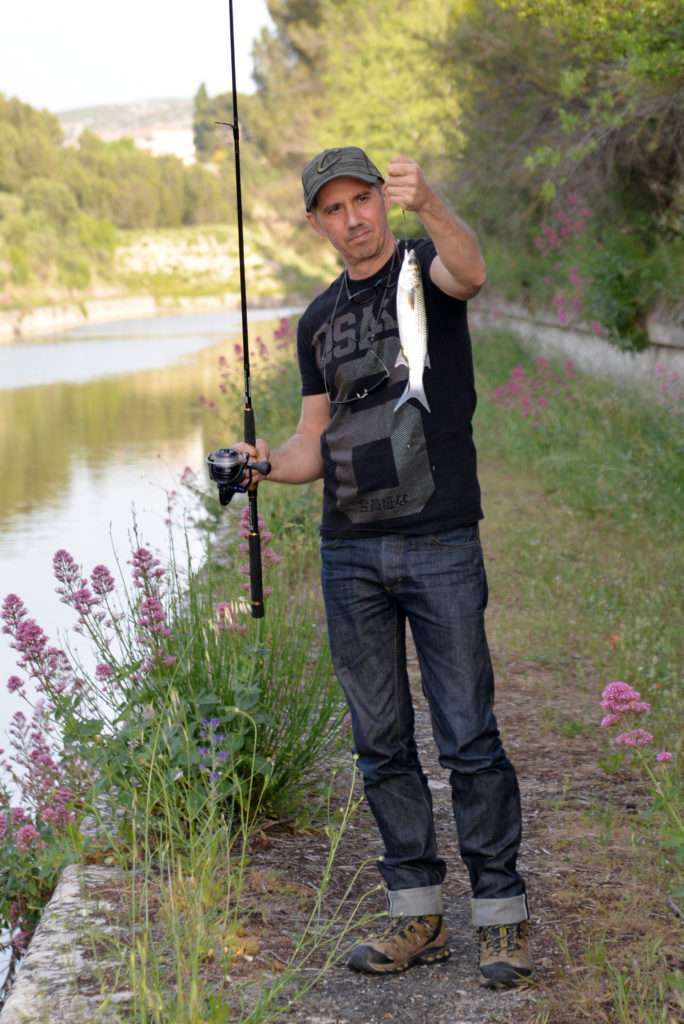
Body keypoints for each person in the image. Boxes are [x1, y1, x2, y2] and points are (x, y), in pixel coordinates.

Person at [233, 146, 533, 989]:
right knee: (381, 742)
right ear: (316, 224)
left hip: (439, 537)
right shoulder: (316, 319)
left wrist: (431, 201)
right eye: (334, 209)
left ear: (382, 201)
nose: (353, 217)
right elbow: (310, 443)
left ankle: (502, 916)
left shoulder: (421, 271)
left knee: (469, 733)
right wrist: (262, 460)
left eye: (363, 199)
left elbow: (471, 273)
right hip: (350, 551)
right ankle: (417, 914)